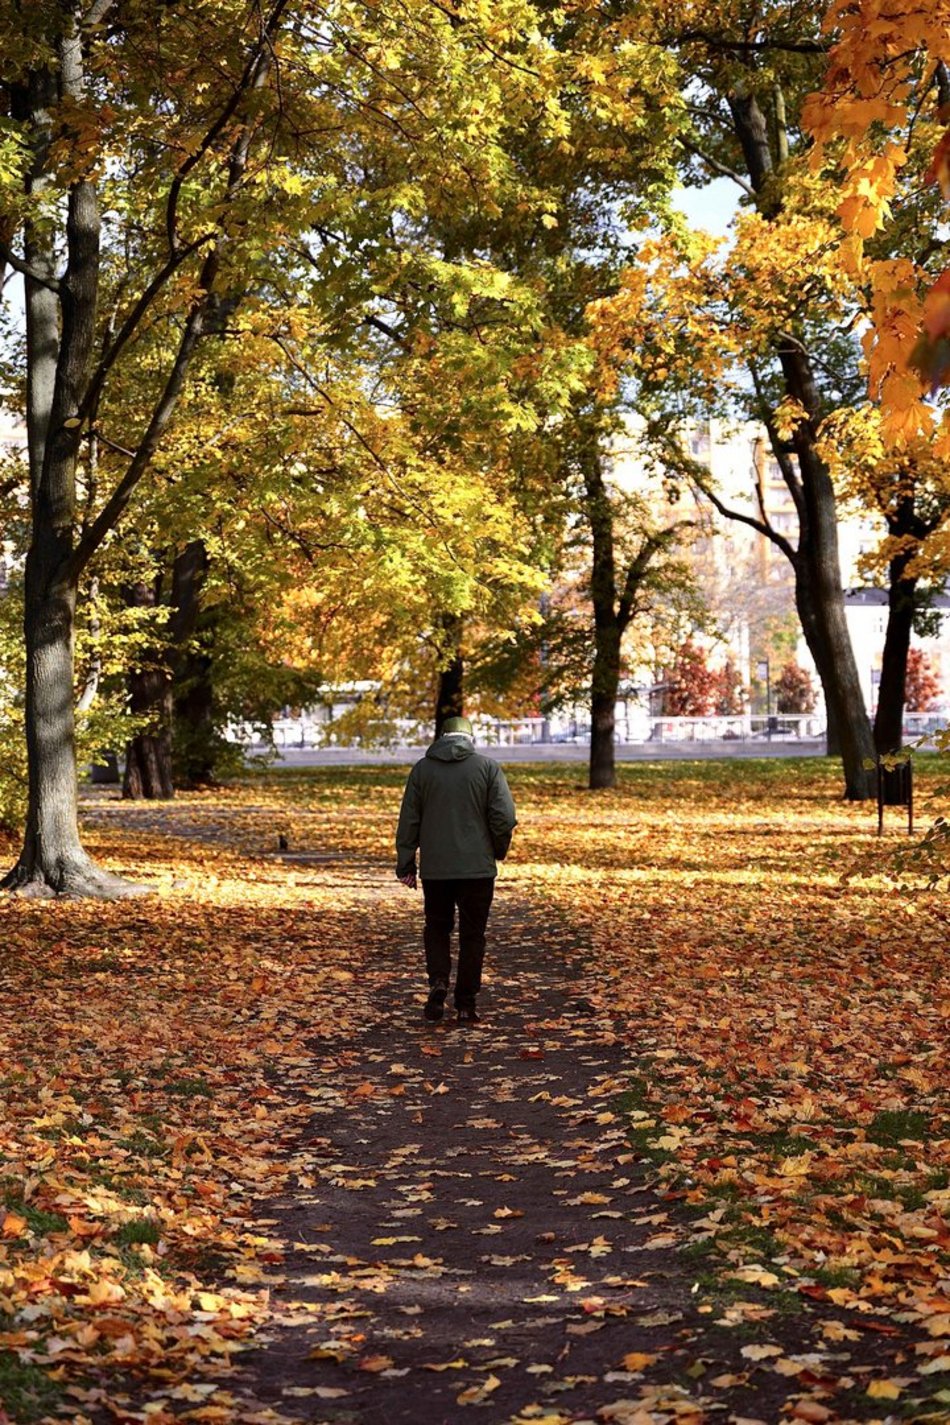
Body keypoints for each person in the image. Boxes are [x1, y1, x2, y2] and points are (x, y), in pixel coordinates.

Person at [395, 715, 517, 1024]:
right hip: (477, 869)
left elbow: (409, 819)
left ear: (442, 737)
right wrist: (497, 850)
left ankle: (438, 980)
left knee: (437, 927)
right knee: (473, 935)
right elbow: (504, 816)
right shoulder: (487, 768)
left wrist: (406, 861)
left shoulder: (422, 770)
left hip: (436, 869)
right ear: (469, 739)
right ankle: (466, 1003)